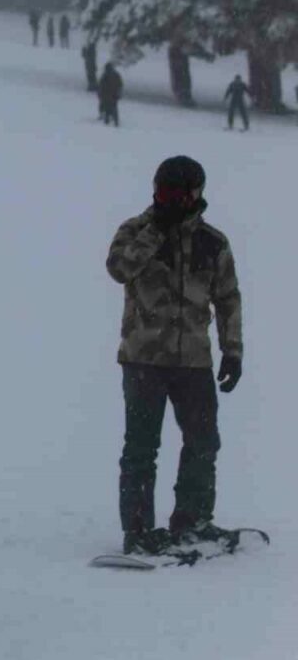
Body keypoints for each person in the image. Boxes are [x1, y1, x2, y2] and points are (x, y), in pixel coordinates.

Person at [105, 156, 242, 556]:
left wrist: (232, 351)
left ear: (195, 195)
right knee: (141, 448)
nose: (167, 201)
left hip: (193, 364)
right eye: (162, 192)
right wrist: (156, 232)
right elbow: (119, 269)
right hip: (143, 361)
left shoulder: (212, 242)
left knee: (203, 442)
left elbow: (228, 298)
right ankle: (138, 531)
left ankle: (192, 521)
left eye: (176, 195)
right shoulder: (135, 231)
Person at [99, 62, 123, 127]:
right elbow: (120, 85)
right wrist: (119, 93)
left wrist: (100, 94)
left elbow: (101, 86)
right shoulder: (116, 75)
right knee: (113, 107)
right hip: (113, 95)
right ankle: (115, 121)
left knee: (108, 107)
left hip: (108, 95)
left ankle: (108, 120)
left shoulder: (105, 75)